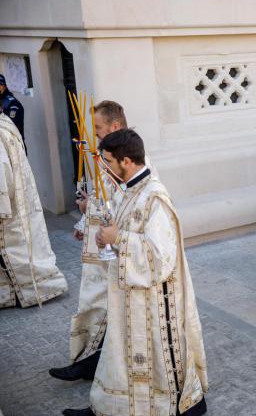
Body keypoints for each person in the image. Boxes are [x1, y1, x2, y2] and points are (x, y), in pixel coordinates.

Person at [62, 129, 207, 416]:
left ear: (126, 161)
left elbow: (161, 258)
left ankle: (179, 405)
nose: (103, 166)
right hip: (130, 295)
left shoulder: (155, 198)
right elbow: (117, 226)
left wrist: (119, 239)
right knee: (123, 355)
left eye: (107, 161)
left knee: (156, 357)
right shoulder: (130, 190)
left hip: (154, 301)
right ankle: (113, 405)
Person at [49, 101, 133, 382]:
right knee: (103, 307)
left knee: (112, 310)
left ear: (115, 127)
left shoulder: (127, 162)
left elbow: (124, 209)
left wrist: (94, 214)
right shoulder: (109, 158)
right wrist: (86, 217)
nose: (94, 135)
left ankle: (95, 366)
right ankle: (91, 363)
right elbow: (105, 200)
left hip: (124, 255)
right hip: (107, 248)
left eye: (97, 129)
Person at [0, 113, 67, 308]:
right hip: (18, 204)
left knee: (16, 249)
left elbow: (2, 172)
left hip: (10, 207)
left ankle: (25, 291)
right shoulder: (5, 123)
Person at [0, 74, 25, 148]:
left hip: (14, 148)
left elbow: (10, 127)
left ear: (4, 86)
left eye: (0, 85)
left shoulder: (12, 104)